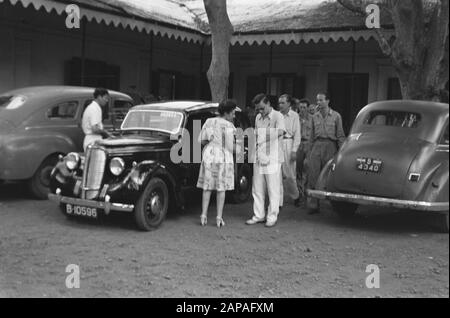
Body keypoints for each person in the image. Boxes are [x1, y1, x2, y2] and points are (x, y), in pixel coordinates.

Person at [246, 94, 286, 228]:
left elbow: (281, 132)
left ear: (269, 104)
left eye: (262, 108)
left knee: (272, 188)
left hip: (273, 157)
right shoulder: (258, 117)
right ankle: (259, 215)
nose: (260, 111)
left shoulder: (278, 116)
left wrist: (263, 134)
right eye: (258, 109)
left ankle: (272, 216)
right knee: (257, 187)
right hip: (259, 154)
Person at [197, 100, 237, 228]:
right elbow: (230, 146)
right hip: (223, 156)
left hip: (209, 154)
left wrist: (211, 144)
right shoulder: (229, 126)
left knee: (207, 186)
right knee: (221, 188)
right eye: (233, 113)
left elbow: (201, 140)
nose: (234, 116)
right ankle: (219, 217)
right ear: (226, 113)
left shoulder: (209, 121)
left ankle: (203, 215)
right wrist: (241, 150)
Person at [307, 92, 346, 214]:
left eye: (321, 100)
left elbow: (340, 135)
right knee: (313, 175)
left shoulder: (336, 116)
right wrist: (309, 153)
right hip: (317, 146)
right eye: (317, 100)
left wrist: (342, 152)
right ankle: (313, 205)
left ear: (327, 101)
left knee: (328, 177)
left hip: (330, 146)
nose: (318, 103)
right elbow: (311, 137)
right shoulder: (314, 117)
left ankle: (331, 205)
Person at [278, 94, 302, 207]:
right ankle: (279, 201)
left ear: (288, 104)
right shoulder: (277, 115)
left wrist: (294, 150)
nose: (280, 105)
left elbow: (297, 134)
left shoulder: (294, 116)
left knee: (290, 174)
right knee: (278, 173)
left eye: (283, 103)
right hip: (278, 143)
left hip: (289, 142)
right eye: (279, 103)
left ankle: (296, 195)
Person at [296, 98, 313, 202]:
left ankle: (306, 190)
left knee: (307, 167)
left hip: (308, 144)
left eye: (304, 107)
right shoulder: (295, 118)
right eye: (301, 107)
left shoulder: (313, 118)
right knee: (298, 169)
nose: (302, 109)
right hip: (298, 144)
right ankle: (298, 192)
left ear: (308, 108)